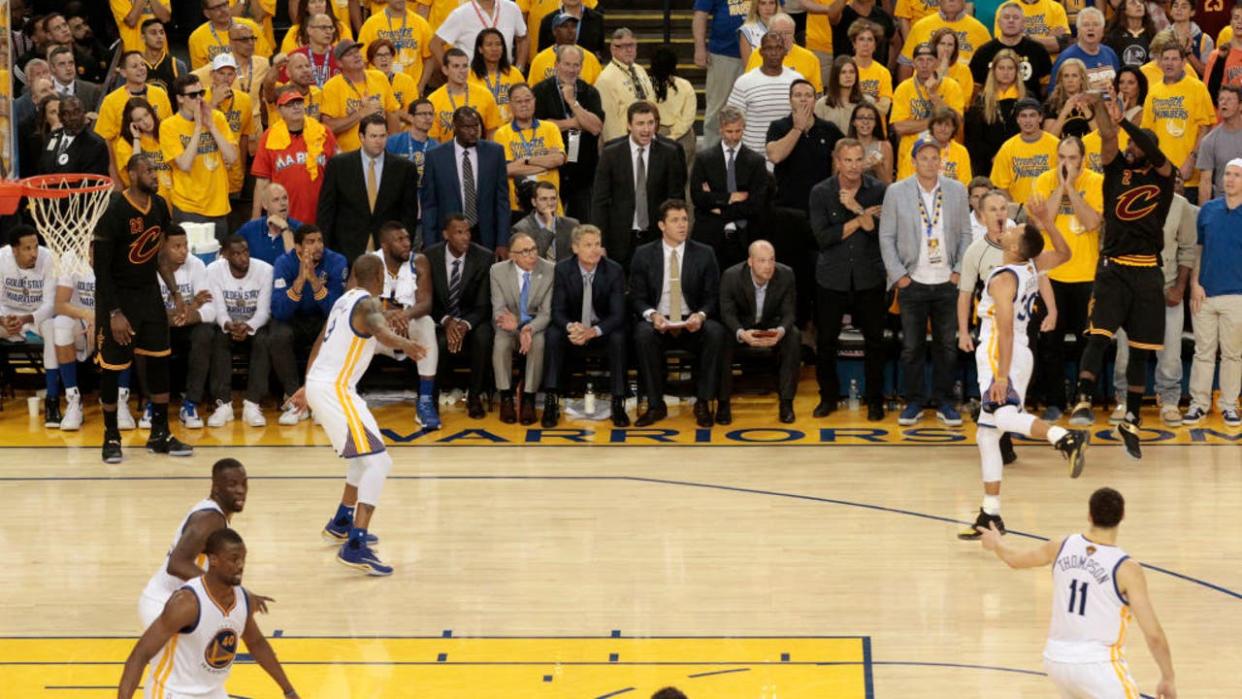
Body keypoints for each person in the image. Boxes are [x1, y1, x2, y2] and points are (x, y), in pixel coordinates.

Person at [957, 191, 1090, 540]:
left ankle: (1064, 438)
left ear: (1015, 247)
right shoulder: (1031, 264)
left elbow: (1002, 328)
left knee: (1001, 417)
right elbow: (1066, 253)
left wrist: (999, 374)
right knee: (987, 434)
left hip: (1001, 349)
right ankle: (991, 514)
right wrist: (1046, 221)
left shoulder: (1002, 278)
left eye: (1014, 231)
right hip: (1021, 351)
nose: (1009, 228)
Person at [286, 255, 423, 576]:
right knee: (379, 461)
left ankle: (342, 521)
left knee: (362, 459)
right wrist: (409, 344)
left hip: (327, 386)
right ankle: (356, 545)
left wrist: (308, 385)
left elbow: (322, 341)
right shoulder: (368, 305)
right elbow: (380, 331)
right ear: (379, 275)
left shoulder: (344, 301)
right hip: (336, 390)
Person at [978, 487, 1177, 699]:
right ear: (1123, 516)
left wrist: (997, 544)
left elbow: (1015, 559)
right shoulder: (1126, 569)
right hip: (1097, 664)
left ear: (1089, 515)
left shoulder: (1061, 546)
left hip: (1056, 659)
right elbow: (1154, 635)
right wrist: (1168, 677)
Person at [1068, 93, 1175, 461]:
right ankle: (1082, 400)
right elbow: (1109, 137)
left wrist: (1129, 122)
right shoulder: (1116, 169)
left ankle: (1131, 418)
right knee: (1098, 337)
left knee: (1142, 352)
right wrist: (1100, 106)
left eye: (1136, 143)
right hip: (1113, 267)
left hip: (1148, 269)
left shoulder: (1164, 176)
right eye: (1129, 142)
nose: (1130, 146)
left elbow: (1150, 149)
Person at [92, 154, 193, 464]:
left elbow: (161, 257)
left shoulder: (160, 206)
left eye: (156, 169)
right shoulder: (114, 209)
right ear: (132, 174)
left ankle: (160, 434)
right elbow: (101, 269)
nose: (155, 174)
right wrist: (114, 313)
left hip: (149, 295)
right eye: (148, 170)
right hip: (117, 298)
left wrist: (175, 293)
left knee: (160, 362)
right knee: (112, 369)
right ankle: (111, 436)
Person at [118, 528, 299, 699]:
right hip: (173, 692)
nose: (240, 565)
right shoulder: (186, 603)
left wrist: (289, 690)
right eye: (234, 559)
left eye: (243, 559)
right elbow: (140, 655)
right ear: (213, 560)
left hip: (213, 693)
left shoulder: (243, 600)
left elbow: (257, 644)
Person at [880, 137, 973, 427]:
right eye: (925, 158)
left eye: (935, 158)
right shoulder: (896, 191)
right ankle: (914, 401)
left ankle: (946, 401)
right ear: (913, 160)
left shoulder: (957, 190)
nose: (930, 163)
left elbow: (966, 234)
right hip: (913, 280)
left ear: (941, 161)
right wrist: (899, 276)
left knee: (947, 345)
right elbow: (886, 236)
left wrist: (959, 270)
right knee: (911, 346)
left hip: (947, 281)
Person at [629, 200, 727, 428]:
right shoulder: (643, 254)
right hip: (659, 320)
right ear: (662, 225)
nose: (682, 225)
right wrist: (653, 315)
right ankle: (655, 404)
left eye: (685, 219)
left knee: (716, 332)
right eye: (675, 220)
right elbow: (636, 296)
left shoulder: (704, 253)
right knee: (642, 334)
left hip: (690, 320)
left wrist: (700, 315)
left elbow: (713, 296)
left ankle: (702, 402)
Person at [809, 138, 888, 421]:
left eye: (858, 160)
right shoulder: (820, 192)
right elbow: (824, 238)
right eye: (848, 160)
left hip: (869, 277)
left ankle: (875, 400)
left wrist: (855, 207)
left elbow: (880, 234)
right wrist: (861, 219)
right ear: (837, 161)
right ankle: (827, 398)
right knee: (827, 342)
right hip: (832, 278)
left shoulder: (879, 190)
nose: (854, 166)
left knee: (875, 343)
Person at [1031, 134, 1104, 420]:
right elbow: (1040, 221)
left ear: (1083, 160)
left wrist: (1071, 187)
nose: (1066, 163)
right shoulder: (1044, 180)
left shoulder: (1096, 181)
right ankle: (1055, 402)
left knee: (1089, 343)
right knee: (1051, 343)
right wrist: (1060, 188)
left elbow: (1092, 222)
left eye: (1073, 158)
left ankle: (1084, 401)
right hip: (1052, 274)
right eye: (1062, 157)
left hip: (1086, 274)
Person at [1109, 191, 1196, 426]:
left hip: (1166, 289)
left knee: (1170, 354)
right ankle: (1124, 400)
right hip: (1131, 290)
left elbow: (1188, 249)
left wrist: (1179, 287)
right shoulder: (1126, 199)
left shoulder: (1180, 205)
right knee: (1125, 352)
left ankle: (1168, 401)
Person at [136, 458, 254, 625]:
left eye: (244, 483)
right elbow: (177, 564)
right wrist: (226, 591)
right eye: (232, 485)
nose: (241, 490)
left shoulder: (215, 515)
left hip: (184, 604)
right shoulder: (209, 519)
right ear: (216, 488)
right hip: (164, 604)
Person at [542, 223, 629, 427]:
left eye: (597, 244)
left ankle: (618, 401)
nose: (595, 250)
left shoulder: (614, 270)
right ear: (575, 248)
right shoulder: (563, 269)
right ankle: (551, 399)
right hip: (575, 329)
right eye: (588, 245)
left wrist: (593, 332)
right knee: (553, 334)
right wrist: (572, 327)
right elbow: (557, 311)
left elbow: (618, 315)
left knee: (619, 336)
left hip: (602, 329)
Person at [269, 224, 349, 425]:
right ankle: (295, 399)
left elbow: (335, 309)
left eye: (320, 241)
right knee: (277, 335)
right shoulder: (284, 263)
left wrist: (314, 281)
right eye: (311, 242)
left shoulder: (337, 261)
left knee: (338, 330)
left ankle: (321, 400)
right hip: (294, 319)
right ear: (298, 247)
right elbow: (279, 310)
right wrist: (299, 281)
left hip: (322, 319)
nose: (317, 246)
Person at [592, 101, 686, 269]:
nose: (646, 129)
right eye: (640, 123)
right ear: (629, 125)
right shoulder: (611, 153)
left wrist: (673, 238)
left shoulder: (669, 153)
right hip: (619, 241)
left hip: (656, 239)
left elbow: (676, 201)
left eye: (651, 123)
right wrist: (600, 242)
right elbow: (600, 202)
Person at [717, 240, 800, 424]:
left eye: (771, 260)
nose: (768, 266)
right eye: (762, 261)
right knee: (720, 336)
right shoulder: (731, 276)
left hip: (771, 326)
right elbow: (727, 313)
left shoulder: (786, 274)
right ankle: (723, 403)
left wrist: (779, 332)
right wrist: (741, 333)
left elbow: (789, 312)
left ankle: (786, 403)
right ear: (750, 262)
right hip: (742, 327)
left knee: (793, 335)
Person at [317, 113, 420, 262]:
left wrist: (401, 246)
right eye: (373, 136)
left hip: (388, 252)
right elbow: (326, 211)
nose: (378, 141)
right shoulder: (339, 166)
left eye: (382, 136)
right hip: (346, 250)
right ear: (362, 137)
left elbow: (409, 214)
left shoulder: (404, 168)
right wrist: (326, 250)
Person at [1186, 158, 1242, 427]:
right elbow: (1198, 250)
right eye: (1227, 174)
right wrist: (1195, 283)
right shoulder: (1207, 210)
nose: (1230, 179)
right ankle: (1198, 404)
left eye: (1236, 175)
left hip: (1237, 294)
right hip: (1204, 294)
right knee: (1203, 352)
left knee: (1233, 354)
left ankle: (1229, 405)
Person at [425, 215, 496, 419]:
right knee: (436, 340)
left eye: (468, 231)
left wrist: (464, 325)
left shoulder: (484, 257)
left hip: (472, 318)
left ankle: (474, 396)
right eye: (459, 232)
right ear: (446, 234)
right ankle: (431, 398)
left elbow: (484, 305)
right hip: (441, 318)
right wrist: (447, 321)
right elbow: (427, 301)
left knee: (483, 336)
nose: (466, 237)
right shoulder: (429, 256)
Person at [373, 221, 441, 429]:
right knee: (352, 329)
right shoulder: (369, 262)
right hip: (378, 329)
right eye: (400, 240)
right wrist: (386, 316)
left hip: (408, 326)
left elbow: (426, 303)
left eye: (408, 238)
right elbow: (355, 300)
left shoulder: (419, 261)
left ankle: (426, 401)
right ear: (385, 245)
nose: (406, 243)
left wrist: (403, 315)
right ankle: (343, 398)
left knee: (427, 324)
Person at [203, 235, 275, 427]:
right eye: (237, 254)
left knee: (264, 340)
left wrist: (248, 326)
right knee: (217, 338)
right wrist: (228, 324)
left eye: (246, 252)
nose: (243, 258)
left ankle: (252, 404)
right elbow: (217, 309)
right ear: (225, 256)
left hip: (255, 326)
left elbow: (264, 311)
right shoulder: (213, 271)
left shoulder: (265, 270)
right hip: (227, 326)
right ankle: (223, 405)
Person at [421, 107, 512, 251]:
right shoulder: (435, 156)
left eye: (476, 125)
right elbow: (430, 206)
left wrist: (502, 242)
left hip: (486, 236)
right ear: (455, 127)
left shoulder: (495, 152)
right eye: (466, 127)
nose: (473, 131)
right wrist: (430, 245)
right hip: (448, 238)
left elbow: (502, 201)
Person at [161, 74, 238, 244]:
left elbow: (232, 157)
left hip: (218, 205)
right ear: (180, 98)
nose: (199, 99)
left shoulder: (216, 118)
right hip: (188, 207)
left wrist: (210, 125)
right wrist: (197, 127)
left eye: (201, 93)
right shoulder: (168, 126)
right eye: (192, 95)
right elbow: (185, 164)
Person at [690, 105, 769, 271]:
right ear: (720, 130)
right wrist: (730, 198)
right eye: (729, 131)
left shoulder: (756, 162)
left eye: (738, 131)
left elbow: (756, 204)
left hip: (744, 238)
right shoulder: (704, 159)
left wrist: (719, 207)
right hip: (709, 237)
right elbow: (698, 197)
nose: (734, 137)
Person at [532, 44, 605, 221]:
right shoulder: (540, 91)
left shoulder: (589, 92)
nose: (572, 70)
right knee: (550, 223)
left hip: (584, 171)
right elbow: (540, 125)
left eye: (576, 65)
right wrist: (575, 122)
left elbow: (595, 127)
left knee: (583, 223)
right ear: (556, 64)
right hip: (552, 170)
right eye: (567, 64)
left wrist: (573, 103)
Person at [155, 226, 218, 430]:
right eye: (177, 246)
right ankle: (151, 403)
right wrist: (192, 306)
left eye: (186, 245)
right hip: (160, 328)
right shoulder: (149, 268)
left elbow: (211, 309)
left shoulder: (197, 265)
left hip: (188, 328)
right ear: (163, 247)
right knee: (147, 333)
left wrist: (187, 314)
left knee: (206, 333)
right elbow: (147, 312)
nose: (184, 251)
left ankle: (190, 403)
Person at [488, 232, 554, 424]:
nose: (532, 255)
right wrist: (517, 327)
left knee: (538, 342)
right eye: (525, 252)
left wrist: (527, 329)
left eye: (533, 249)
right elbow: (499, 310)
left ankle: (529, 398)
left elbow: (546, 313)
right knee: (500, 344)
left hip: (535, 325)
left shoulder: (549, 270)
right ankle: (506, 396)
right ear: (512, 256)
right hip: (507, 325)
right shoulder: (497, 271)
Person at [252, 87, 338, 227]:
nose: (296, 107)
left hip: (320, 215)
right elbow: (262, 182)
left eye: (298, 102)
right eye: (290, 104)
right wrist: (255, 220)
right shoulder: (269, 137)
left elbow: (337, 174)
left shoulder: (323, 132)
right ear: (280, 110)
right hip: (283, 217)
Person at [1142, 37, 1216, 201]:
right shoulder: (1154, 92)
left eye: (1174, 59)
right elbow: (1147, 133)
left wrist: (1191, 160)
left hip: (1189, 178)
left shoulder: (1197, 88)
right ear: (1160, 62)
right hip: (1159, 176)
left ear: (1184, 63)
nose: (1169, 63)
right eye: (1166, 59)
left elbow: (1206, 128)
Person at [0, 226, 58, 425]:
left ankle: (52, 400)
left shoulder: (48, 258)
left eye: (35, 246)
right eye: (27, 249)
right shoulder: (1, 258)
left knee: (53, 328)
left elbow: (51, 304)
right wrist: (3, 319)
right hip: (7, 319)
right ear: (14, 250)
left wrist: (26, 318)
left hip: (36, 318)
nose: (34, 253)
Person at [493, 82, 567, 218]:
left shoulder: (550, 128)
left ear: (534, 101)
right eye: (518, 101)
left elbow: (558, 159)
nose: (524, 104)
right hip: (519, 208)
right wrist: (544, 165)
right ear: (510, 105)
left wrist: (526, 160)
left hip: (552, 206)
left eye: (527, 100)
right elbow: (507, 170)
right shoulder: (502, 133)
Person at [728, 33, 804, 158]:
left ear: (785, 51)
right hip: (753, 158)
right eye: (769, 48)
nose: (774, 53)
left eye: (778, 48)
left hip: (790, 156)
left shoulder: (797, 80)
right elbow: (732, 120)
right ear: (761, 52)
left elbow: (804, 116)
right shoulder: (745, 82)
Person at [891, 42, 965, 167]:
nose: (924, 65)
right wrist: (935, 124)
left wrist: (933, 95)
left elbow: (956, 123)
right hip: (911, 156)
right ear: (913, 63)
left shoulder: (952, 86)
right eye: (920, 60)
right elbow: (899, 127)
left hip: (945, 156)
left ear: (937, 63)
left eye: (929, 60)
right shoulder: (903, 88)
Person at [320, 39, 402, 153]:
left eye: (357, 51)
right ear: (339, 63)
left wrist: (396, 147)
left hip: (382, 152)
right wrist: (361, 113)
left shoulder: (379, 77)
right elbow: (328, 127)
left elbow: (392, 113)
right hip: (350, 156)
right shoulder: (332, 87)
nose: (356, 56)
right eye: (349, 54)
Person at [203, 53, 257, 218]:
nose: (226, 78)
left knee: (233, 220)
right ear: (212, 75)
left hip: (232, 172)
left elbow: (244, 137)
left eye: (230, 73)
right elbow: (195, 130)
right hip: (208, 170)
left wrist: (239, 169)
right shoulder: (199, 97)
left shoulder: (244, 100)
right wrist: (214, 103)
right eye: (221, 73)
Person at [693, 0, 747, 149]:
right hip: (724, 54)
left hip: (759, 54)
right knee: (717, 109)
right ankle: (711, 156)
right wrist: (699, 48)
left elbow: (779, 10)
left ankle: (749, 159)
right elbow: (700, 15)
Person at [970, 1, 1052, 99]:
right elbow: (976, 88)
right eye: (1006, 17)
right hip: (993, 108)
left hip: (1029, 109)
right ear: (998, 23)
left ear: (1023, 23)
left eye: (1016, 17)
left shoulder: (1038, 50)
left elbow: (1046, 86)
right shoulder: (983, 52)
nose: (1011, 20)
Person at [965, 49, 1025, 179]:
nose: (1006, 72)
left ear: (1017, 72)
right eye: (1001, 68)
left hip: (1020, 162)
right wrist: (994, 157)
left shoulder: (1026, 99)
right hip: (987, 164)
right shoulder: (981, 100)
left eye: (1010, 68)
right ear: (994, 71)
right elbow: (973, 139)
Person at [991, 98, 1061, 207]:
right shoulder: (1007, 148)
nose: (1028, 121)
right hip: (1020, 213)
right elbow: (1001, 186)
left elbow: (1063, 181)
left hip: (1051, 210)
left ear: (1040, 118)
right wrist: (1016, 210)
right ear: (1018, 119)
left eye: (1032, 115)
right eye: (1023, 116)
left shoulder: (1056, 145)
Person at [898, 0, 990, 81]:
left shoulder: (981, 30)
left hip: (965, 93)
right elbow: (906, 63)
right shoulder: (920, 26)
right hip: (923, 93)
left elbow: (990, 69)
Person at [357, 0, 434, 93]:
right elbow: (363, 61)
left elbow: (429, 58)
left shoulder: (421, 23)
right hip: (379, 90)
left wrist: (421, 86)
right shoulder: (371, 24)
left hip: (410, 91)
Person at [427, 47, 502, 142]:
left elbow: (492, 131)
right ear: (445, 70)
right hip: (447, 154)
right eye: (456, 66)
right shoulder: (434, 100)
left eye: (465, 66)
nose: (462, 71)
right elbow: (433, 139)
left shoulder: (485, 95)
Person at [596, 29, 656, 143]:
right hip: (624, 142)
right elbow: (609, 122)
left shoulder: (640, 70)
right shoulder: (606, 79)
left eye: (632, 45)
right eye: (623, 46)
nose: (629, 50)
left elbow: (651, 102)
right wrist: (617, 149)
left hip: (647, 136)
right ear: (613, 49)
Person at [432, 0, 528, 70]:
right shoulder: (461, 14)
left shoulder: (512, 8)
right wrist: (451, 71)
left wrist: (520, 67)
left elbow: (523, 38)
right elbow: (435, 44)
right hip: (472, 79)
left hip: (505, 77)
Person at [113, 98, 174, 204]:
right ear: (132, 124)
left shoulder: (166, 132)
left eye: (146, 115)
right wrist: (136, 138)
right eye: (139, 120)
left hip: (175, 200)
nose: (146, 122)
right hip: (148, 202)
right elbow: (136, 171)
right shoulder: (125, 144)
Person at [651, 47, 698, 182]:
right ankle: (685, 203)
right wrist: (675, 134)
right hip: (682, 136)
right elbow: (689, 116)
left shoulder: (646, 85)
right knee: (685, 178)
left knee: (657, 179)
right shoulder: (685, 85)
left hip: (655, 134)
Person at [1049, 8, 1120, 95]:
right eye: (1086, 25)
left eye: (1096, 24)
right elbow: (1054, 94)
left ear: (1103, 31)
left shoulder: (1110, 53)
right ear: (1078, 31)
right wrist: (1089, 90)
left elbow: (1119, 86)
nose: (1090, 28)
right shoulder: (1066, 58)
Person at [187, 0, 271, 71]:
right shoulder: (197, 37)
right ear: (207, 13)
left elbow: (265, 64)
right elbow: (200, 75)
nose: (223, 10)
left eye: (224, 4)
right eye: (216, 8)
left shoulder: (251, 27)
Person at [35, 95, 108, 176]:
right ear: (60, 117)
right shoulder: (51, 137)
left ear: (84, 113)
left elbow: (92, 181)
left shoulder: (95, 144)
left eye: (77, 112)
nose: (73, 117)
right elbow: (42, 171)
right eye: (66, 113)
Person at [895, 107, 971, 184]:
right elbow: (904, 181)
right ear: (932, 126)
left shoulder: (961, 152)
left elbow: (965, 185)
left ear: (953, 128)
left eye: (947, 125)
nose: (943, 129)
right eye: (939, 124)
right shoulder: (917, 149)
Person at [1195, 85, 1242, 205]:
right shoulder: (1209, 141)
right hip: (1224, 204)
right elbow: (1205, 182)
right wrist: (1204, 214)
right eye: (1221, 100)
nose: (1224, 103)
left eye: (1229, 100)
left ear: (1240, 105)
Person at [468, 29, 525, 124]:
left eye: (498, 44)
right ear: (480, 49)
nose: (494, 49)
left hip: (511, 128)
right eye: (489, 45)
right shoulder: (469, 75)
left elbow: (525, 101)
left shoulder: (514, 73)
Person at [512, 181, 578, 261]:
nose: (549, 203)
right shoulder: (521, 229)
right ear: (534, 202)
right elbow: (531, 259)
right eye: (544, 199)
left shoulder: (572, 225)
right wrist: (548, 226)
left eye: (553, 199)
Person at [529, 15, 602, 86]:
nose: (570, 31)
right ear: (554, 31)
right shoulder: (540, 60)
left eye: (573, 26)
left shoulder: (590, 59)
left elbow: (598, 90)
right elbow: (533, 92)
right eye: (564, 26)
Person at [284, 11, 342, 91]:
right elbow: (281, 88)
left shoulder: (341, 55)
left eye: (331, 28)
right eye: (323, 28)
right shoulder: (295, 57)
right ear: (309, 30)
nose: (328, 32)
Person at [814, 55, 871, 136]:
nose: (848, 76)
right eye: (843, 72)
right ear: (835, 76)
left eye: (852, 72)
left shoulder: (868, 102)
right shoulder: (822, 104)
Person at [832, 0, 897, 69]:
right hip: (848, 75)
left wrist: (890, 67)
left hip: (876, 75)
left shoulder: (882, 16)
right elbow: (832, 15)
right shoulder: (843, 13)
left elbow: (896, 42)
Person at [535, 0, 605, 62]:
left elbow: (599, 49)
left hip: (587, 71)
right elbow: (542, 52)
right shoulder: (548, 21)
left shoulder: (597, 19)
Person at [387, 97, 437, 183]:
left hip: (424, 195)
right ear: (411, 117)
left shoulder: (436, 148)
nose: (428, 117)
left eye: (430, 114)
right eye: (423, 114)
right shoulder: (393, 142)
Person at [849, 20, 893, 117]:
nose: (865, 44)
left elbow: (884, 108)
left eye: (870, 40)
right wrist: (874, 102)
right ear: (854, 44)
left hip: (877, 128)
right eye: (861, 39)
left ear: (875, 45)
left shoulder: (883, 72)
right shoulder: (844, 69)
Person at [1044, 59, 1095, 139]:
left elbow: (1100, 136)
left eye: (1074, 75)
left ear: (1082, 79)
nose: (1070, 80)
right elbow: (1049, 139)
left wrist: (1086, 110)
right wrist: (1064, 112)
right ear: (1061, 80)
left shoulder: (1093, 102)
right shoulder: (1052, 104)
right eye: (1066, 76)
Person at [282, 0, 352, 55]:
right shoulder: (295, 31)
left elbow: (349, 54)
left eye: (321, 1)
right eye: (312, 2)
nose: (318, 5)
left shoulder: (340, 27)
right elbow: (288, 60)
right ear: (306, 7)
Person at [139, 19, 188, 96]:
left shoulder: (177, 65)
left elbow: (186, 97)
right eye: (153, 33)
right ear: (143, 37)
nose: (159, 36)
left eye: (161, 32)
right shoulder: (134, 65)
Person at [848, 101, 892, 184]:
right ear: (853, 122)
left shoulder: (884, 146)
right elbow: (837, 179)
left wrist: (878, 167)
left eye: (870, 118)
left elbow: (888, 183)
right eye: (861, 118)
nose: (865, 122)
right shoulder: (845, 146)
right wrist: (862, 166)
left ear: (876, 123)